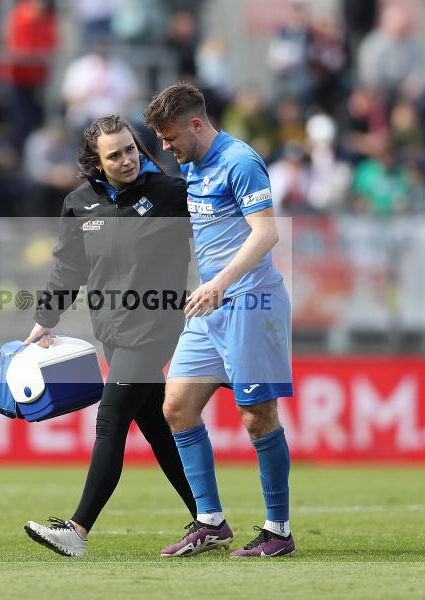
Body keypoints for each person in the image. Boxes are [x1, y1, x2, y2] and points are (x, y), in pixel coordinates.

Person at [22, 114, 196, 557]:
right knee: (159, 430)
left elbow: (216, 234)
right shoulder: (80, 203)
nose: (127, 160)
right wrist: (46, 319)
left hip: (154, 327)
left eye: (130, 149)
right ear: (96, 163)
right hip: (112, 332)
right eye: (114, 155)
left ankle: (77, 531)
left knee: (110, 419)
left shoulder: (171, 193)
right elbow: (69, 268)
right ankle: (209, 519)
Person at [143, 83, 295, 558]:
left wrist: (219, 283)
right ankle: (210, 522)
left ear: (196, 124)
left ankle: (278, 530)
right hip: (210, 308)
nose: (166, 147)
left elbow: (266, 233)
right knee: (176, 406)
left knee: (256, 416)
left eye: (170, 137)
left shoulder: (240, 161)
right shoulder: (191, 165)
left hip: (251, 302)